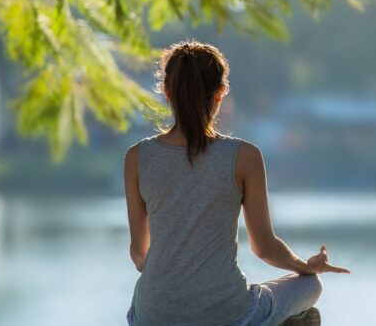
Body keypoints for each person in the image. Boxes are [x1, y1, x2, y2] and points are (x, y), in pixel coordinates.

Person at [124, 40, 350, 326]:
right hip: (225, 314)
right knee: (311, 286)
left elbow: (139, 254)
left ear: (167, 93)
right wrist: (305, 266)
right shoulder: (244, 156)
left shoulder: (136, 157)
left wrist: (169, 280)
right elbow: (264, 248)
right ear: (220, 94)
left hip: (151, 316)